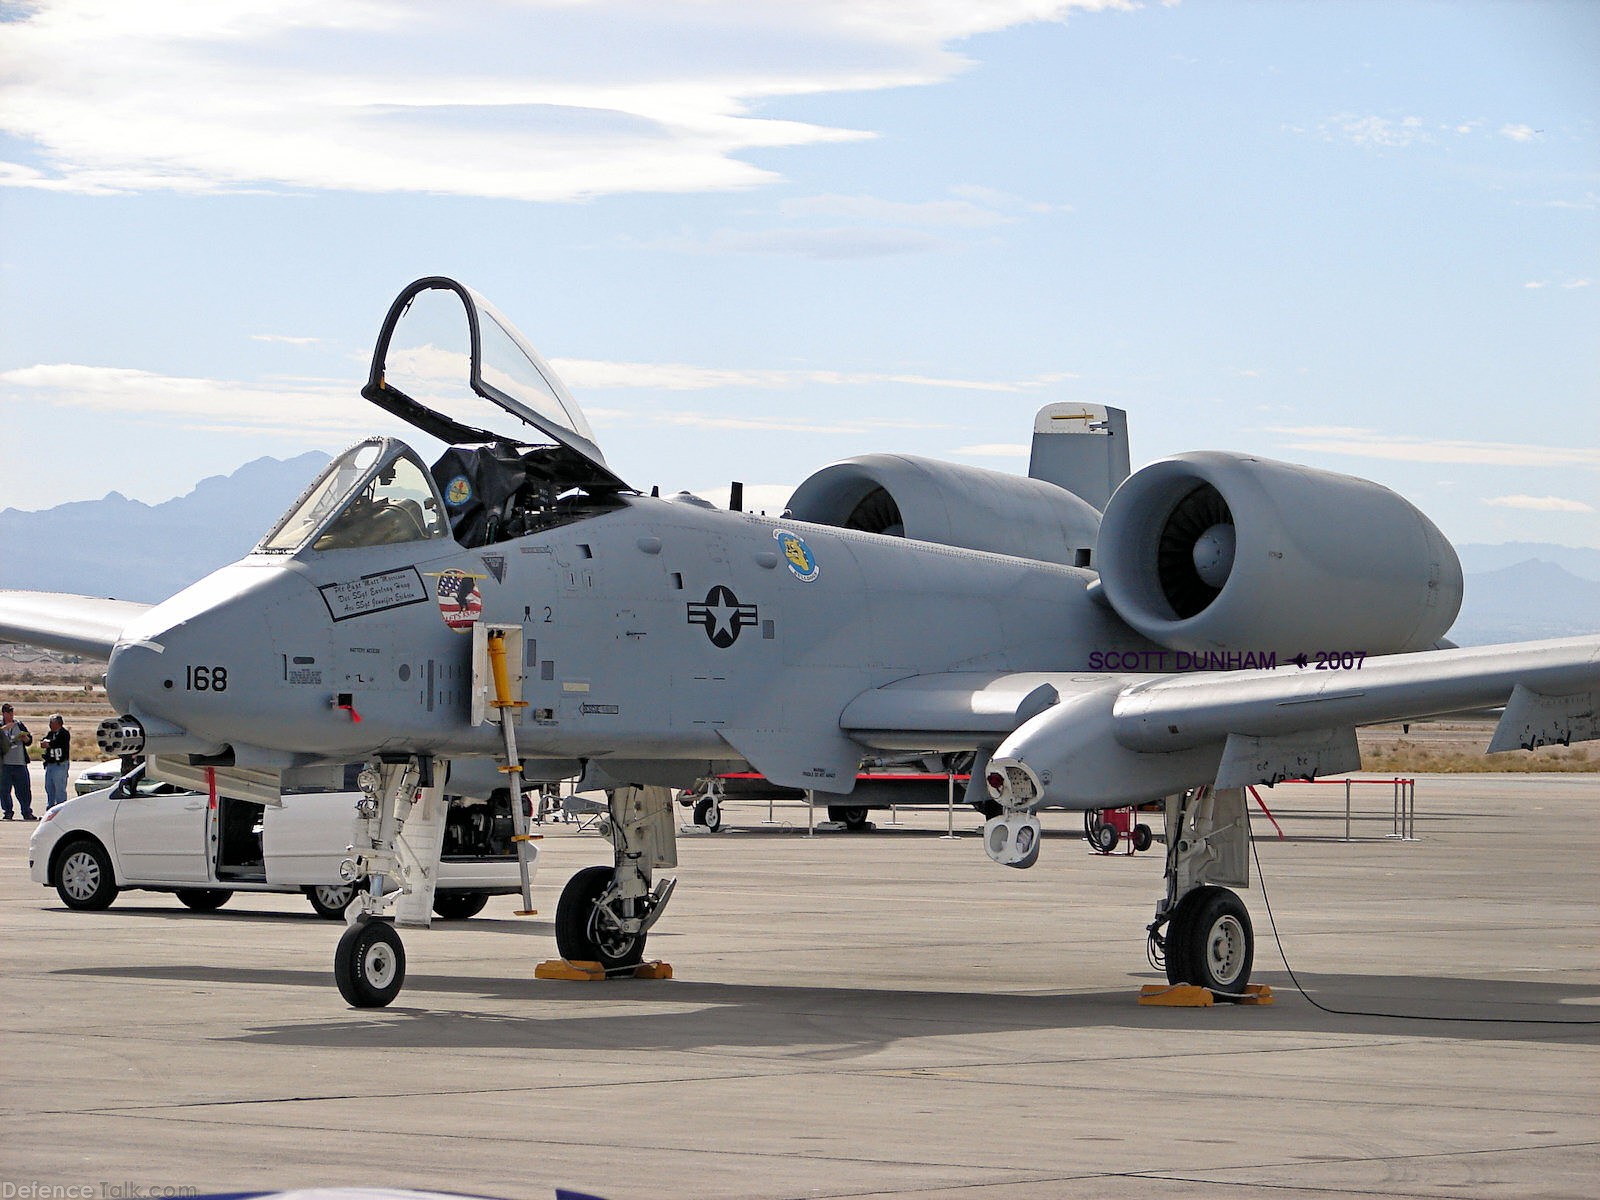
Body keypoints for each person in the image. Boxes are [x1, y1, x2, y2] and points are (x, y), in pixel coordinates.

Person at [0, 702, 37, 821]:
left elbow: (29, 740)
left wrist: (25, 738)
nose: (11, 715)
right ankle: (8, 812)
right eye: (8, 712)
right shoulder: (1, 725)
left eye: (12, 712)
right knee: (4, 790)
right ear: (3, 714)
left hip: (20, 763)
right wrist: (4, 729)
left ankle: (26, 811)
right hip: (5, 764)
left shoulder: (19, 725)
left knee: (24, 790)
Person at [40, 713, 71, 811]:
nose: (50, 725)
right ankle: (50, 810)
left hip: (60, 765)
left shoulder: (64, 734)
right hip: (50, 765)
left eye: (52, 723)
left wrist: (48, 744)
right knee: (49, 788)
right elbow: (44, 741)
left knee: (59, 789)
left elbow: (58, 743)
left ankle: (61, 810)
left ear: (58, 724)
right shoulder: (50, 734)